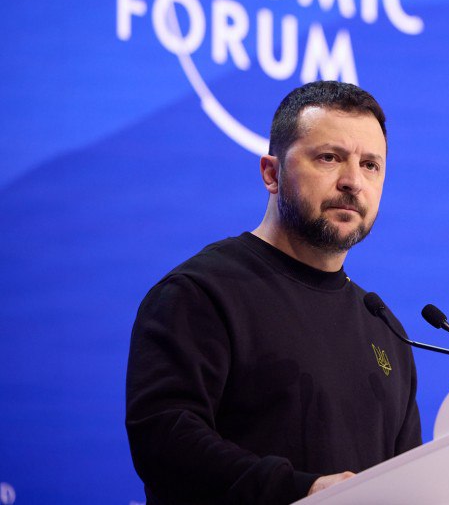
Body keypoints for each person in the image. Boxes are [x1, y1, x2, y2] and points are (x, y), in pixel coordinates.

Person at [126, 81, 421, 504]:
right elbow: (164, 442)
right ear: (271, 173)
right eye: (329, 157)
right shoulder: (201, 293)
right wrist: (302, 492)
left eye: (370, 165)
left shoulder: (384, 329)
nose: (353, 181)